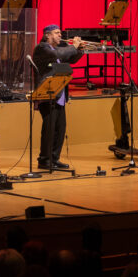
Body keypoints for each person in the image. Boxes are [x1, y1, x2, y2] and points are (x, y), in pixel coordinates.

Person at [32, 24, 85, 170]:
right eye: (57, 33)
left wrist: (79, 50)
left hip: (59, 94)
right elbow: (57, 55)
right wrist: (73, 46)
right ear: (47, 35)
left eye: (60, 33)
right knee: (49, 129)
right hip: (47, 94)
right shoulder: (42, 48)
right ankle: (44, 160)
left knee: (60, 129)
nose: (60, 35)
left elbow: (72, 60)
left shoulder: (57, 49)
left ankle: (54, 159)